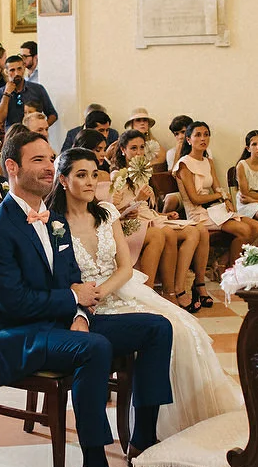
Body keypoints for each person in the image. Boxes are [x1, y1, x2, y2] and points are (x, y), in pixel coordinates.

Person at [0, 129, 172, 467]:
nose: (49, 167)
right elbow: (12, 304)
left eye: (50, 159)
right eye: (38, 160)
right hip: (18, 334)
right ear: (11, 167)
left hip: (60, 321)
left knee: (156, 327)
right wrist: (72, 303)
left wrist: (79, 314)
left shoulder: (52, 219)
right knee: (94, 348)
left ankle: (144, 441)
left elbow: (72, 280)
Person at [54, 149, 240, 441]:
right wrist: (83, 298)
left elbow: (125, 267)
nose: (90, 182)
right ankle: (143, 435)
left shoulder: (105, 213)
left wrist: (103, 291)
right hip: (82, 306)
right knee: (159, 329)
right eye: (81, 175)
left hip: (117, 289)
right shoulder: (53, 223)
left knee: (183, 328)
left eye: (93, 174)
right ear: (63, 179)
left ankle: (155, 427)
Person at [110, 128, 205, 309]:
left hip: (149, 218)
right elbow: (114, 210)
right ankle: (163, 291)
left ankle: (177, 288)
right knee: (168, 233)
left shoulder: (144, 171)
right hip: (129, 223)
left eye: (141, 148)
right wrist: (137, 200)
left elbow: (147, 207)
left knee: (196, 230)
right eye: (133, 148)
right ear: (123, 150)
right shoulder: (118, 175)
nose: (138, 153)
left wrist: (163, 214)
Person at [174, 121, 258, 281]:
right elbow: (195, 199)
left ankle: (223, 263)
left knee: (256, 227)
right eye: (198, 135)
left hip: (213, 209)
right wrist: (218, 197)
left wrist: (227, 200)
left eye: (206, 134)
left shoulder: (208, 161)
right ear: (188, 139)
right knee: (244, 230)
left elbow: (217, 187)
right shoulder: (184, 164)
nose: (203, 138)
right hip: (197, 214)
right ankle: (230, 270)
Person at [0, 55, 58, 129]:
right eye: (12, 70)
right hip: (12, 137)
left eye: (19, 69)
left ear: (24, 68)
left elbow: (53, 115)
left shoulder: (37, 89)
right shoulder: (0, 93)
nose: (16, 73)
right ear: (6, 72)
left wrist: (41, 128)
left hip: (34, 136)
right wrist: (6, 94)